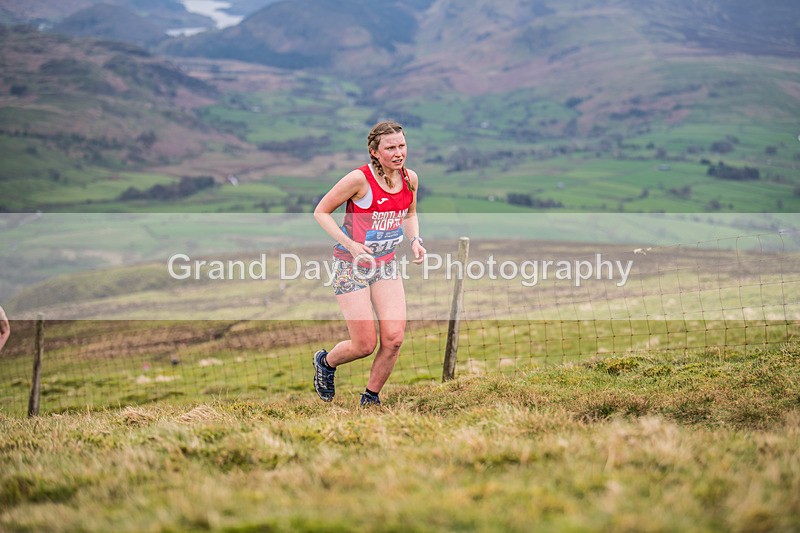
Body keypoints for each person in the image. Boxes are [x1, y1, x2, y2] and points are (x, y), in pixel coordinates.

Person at [313, 120, 426, 407]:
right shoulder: (359, 180)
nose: (398, 153)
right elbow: (321, 212)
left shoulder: (410, 178)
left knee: (394, 338)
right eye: (390, 148)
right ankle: (326, 362)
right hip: (350, 266)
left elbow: (409, 214)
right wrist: (350, 244)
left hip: (385, 266)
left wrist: (415, 240)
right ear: (375, 152)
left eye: (402, 146)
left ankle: (370, 398)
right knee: (364, 345)